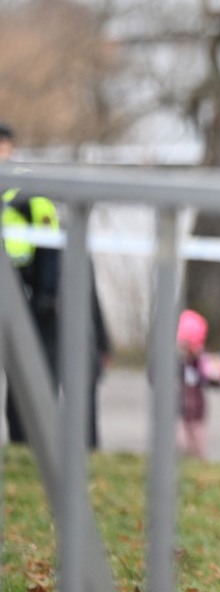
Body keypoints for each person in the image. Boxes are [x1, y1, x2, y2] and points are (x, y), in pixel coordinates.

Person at [1, 123, 112, 449]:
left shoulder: (28, 192)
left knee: (30, 378)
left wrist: (46, 296)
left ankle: (32, 444)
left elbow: (49, 248)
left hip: (29, 297)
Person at [176, 309, 210, 458]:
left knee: (198, 446)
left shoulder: (200, 362)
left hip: (197, 414)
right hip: (180, 412)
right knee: (182, 444)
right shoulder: (177, 363)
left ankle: (199, 463)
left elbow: (210, 377)